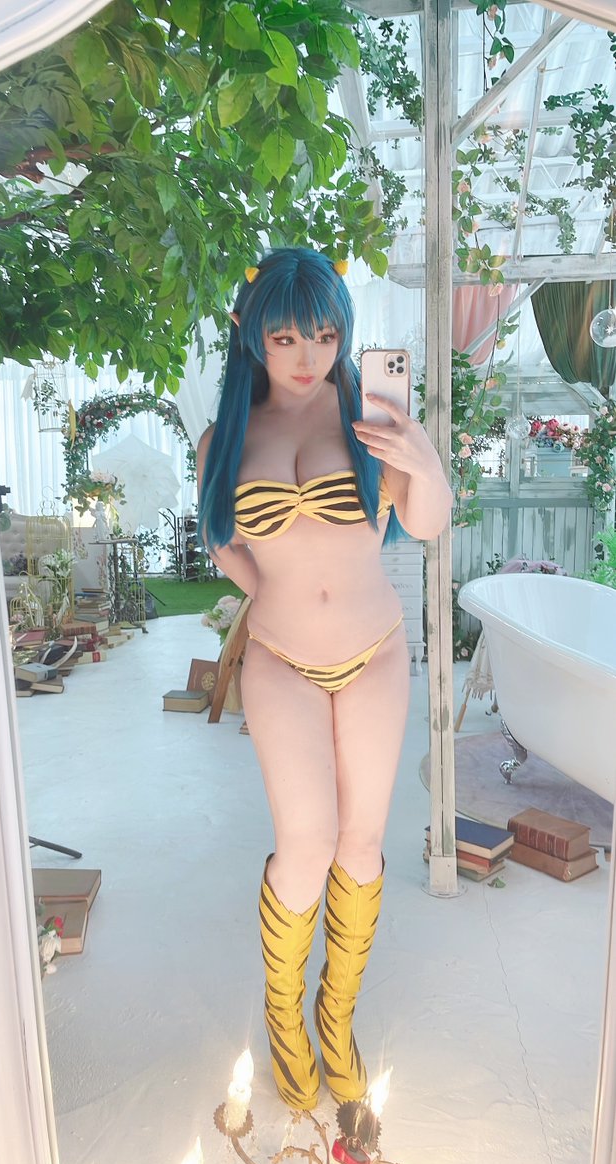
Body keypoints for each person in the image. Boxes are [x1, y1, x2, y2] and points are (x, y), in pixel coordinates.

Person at [197, 246, 452, 1111]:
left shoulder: (369, 415)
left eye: (324, 335)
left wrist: (421, 455)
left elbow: (426, 524)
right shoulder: (228, 435)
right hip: (280, 659)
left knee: (359, 844)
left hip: (373, 651)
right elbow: (222, 539)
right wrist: (270, 592)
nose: (307, 357)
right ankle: (284, 1015)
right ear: (250, 335)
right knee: (304, 843)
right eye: (284, 338)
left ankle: (333, 1020)